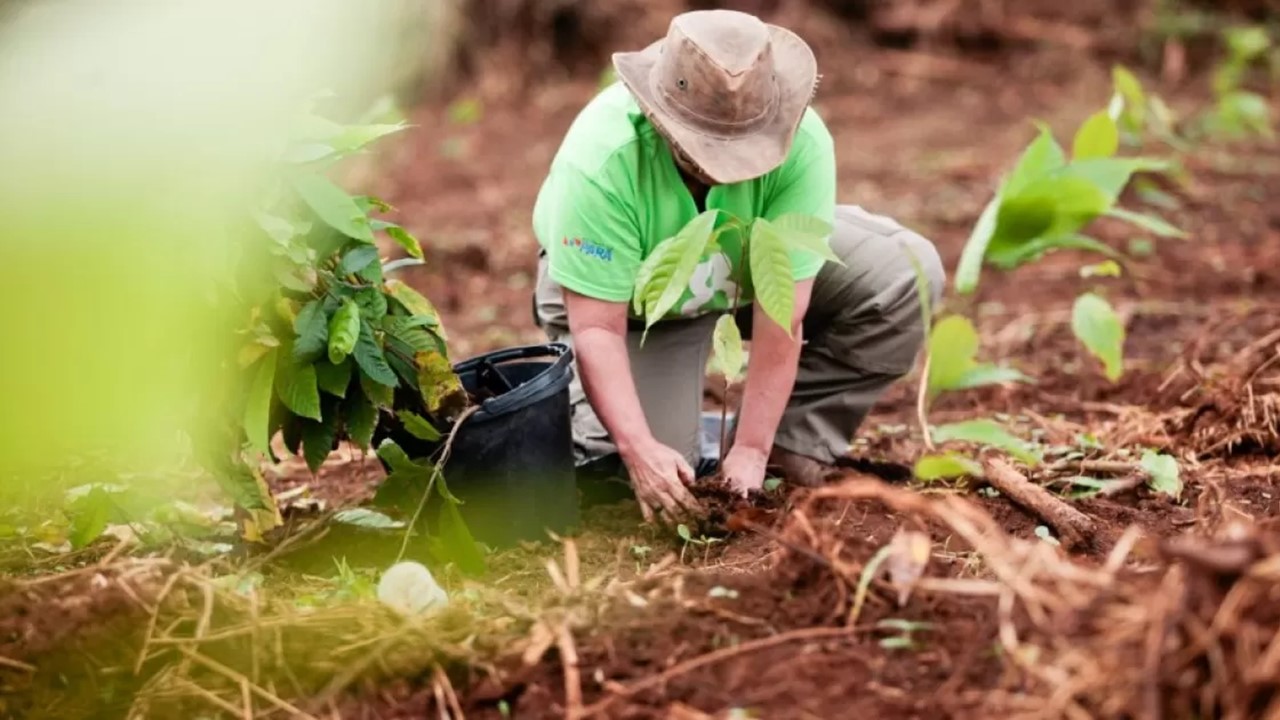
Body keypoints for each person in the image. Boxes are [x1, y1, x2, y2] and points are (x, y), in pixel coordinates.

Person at [530, 9, 945, 524]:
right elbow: (596, 326)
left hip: (743, 263)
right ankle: (585, 412)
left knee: (904, 272)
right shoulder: (602, 159)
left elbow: (783, 313)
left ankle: (794, 444)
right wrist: (638, 448)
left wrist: (752, 446)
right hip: (631, 305)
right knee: (639, 477)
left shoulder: (801, 141)